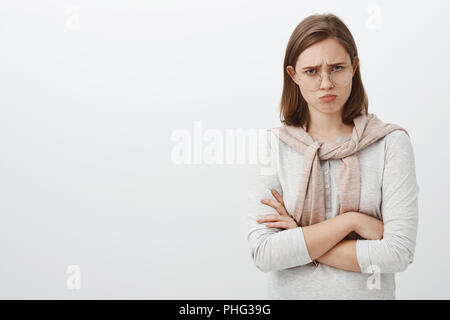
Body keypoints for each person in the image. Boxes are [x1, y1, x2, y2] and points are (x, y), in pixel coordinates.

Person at [246, 13, 419, 300]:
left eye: (337, 68)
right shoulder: (273, 146)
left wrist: (300, 237)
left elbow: (397, 253)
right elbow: (265, 254)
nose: (326, 83)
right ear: (293, 75)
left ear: (354, 67)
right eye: (312, 71)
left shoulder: (390, 142)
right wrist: (350, 221)